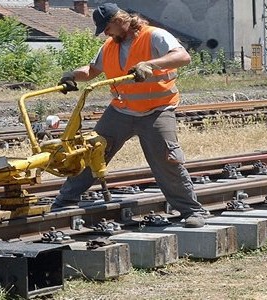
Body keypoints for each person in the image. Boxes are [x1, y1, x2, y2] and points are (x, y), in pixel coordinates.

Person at [52, 3, 207, 228]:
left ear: (118, 21)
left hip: (156, 110)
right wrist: (71, 75)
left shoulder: (155, 35)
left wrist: (149, 64)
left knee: (167, 159)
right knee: (91, 151)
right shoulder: (109, 46)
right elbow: (93, 70)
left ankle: (192, 211)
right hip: (121, 111)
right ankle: (65, 200)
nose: (105, 33)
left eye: (107, 27)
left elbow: (183, 57)